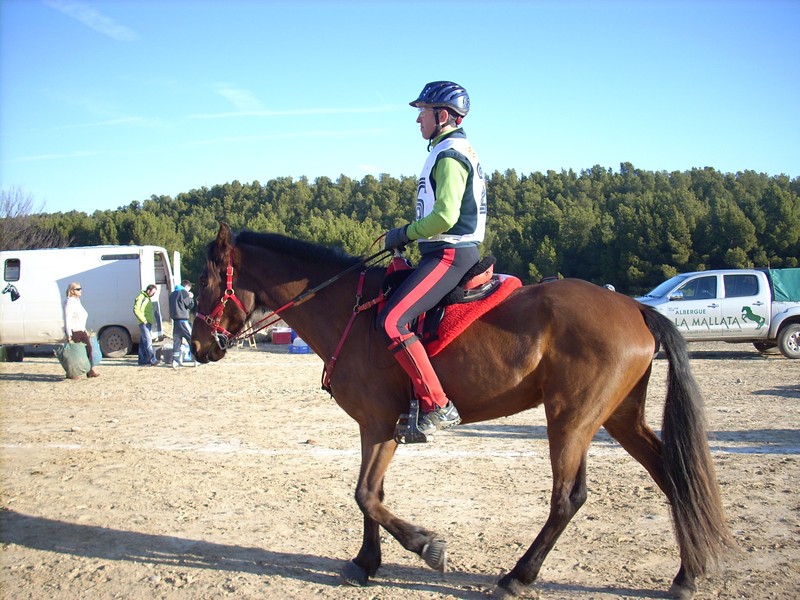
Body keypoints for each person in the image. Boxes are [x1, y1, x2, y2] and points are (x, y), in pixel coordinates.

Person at [378, 81, 487, 438]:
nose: (418, 119)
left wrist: (403, 233)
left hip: (450, 253)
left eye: (422, 112)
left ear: (442, 115)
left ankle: (438, 405)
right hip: (444, 251)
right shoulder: (450, 149)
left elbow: (444, 216)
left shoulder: (450, 155)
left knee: (391, 321)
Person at [63, 282, 100, 378]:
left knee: (89, 349)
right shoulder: (69, 302)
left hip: (81, 330)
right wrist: (69, 334)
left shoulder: (77, 301)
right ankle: (72, 373)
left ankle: (90, 371)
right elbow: (67, 319)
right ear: (72, 291)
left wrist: (84, 329)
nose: (80, 290)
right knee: (74, 353)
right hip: (74, 331)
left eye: (80, 288)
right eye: (78, 289)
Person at [169, 280, 196, 369]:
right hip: (183, 320)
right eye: (189, 289)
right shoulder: (183, 292)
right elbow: (190, 305)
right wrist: (191, 297)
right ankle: (195, 358)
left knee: (177, 341)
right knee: (191, 339)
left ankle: (175, 361)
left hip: (175, 321)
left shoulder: (172, 294)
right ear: (187, 286)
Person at [133, 284, 159, 366]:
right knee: (148, 341)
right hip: (144, 323)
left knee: (143, 342)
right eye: (153, 292)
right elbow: (136, 309)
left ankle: (142, 360)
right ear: (148, 291)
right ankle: (152, 359)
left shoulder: (147, 298)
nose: (153, 294)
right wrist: (143, 320)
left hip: (147, 322)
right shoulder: (141, 297)